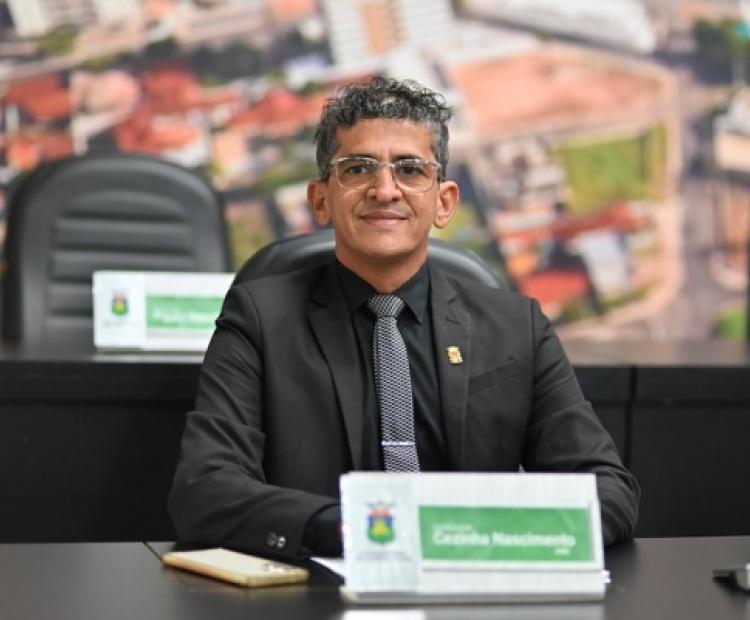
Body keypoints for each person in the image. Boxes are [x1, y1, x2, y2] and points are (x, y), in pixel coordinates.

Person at [168, 77, 640, 560]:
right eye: (358, 169)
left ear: (444, 202)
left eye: (411, 170)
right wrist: (364, 530)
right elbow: (204, 490)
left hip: (475, 580)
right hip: (325, 583)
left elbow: (607, 490)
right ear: (320, 200)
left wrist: (478, 536)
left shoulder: (517, 326)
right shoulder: (260, 319)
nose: (385, 190)